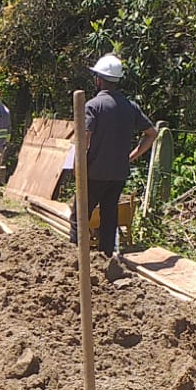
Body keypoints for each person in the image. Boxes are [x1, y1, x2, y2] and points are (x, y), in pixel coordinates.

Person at [69, 54, 161, 280]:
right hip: (118, 174)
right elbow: (152, 134)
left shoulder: (93, 106)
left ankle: (72, 262)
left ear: (99, 79)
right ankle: (107, 263)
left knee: (79, 216)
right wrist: (132, 156)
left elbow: (85, 139)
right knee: (109, 217)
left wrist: (75, 166)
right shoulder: (130, 107)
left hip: (93, 173)